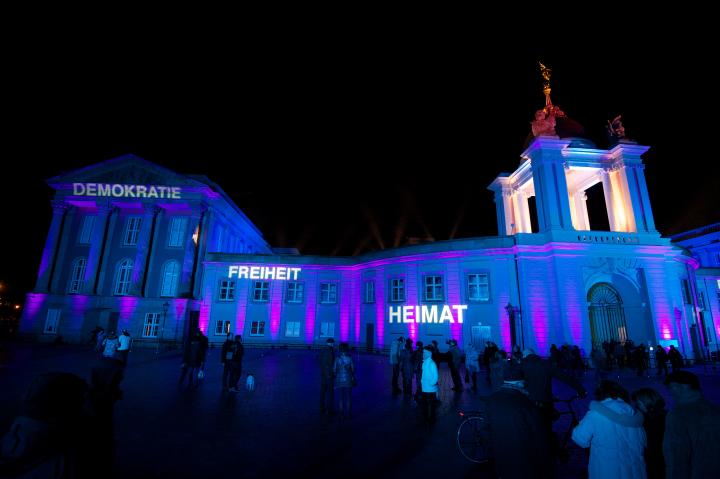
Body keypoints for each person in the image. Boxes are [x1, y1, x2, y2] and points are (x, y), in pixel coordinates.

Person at [486, 365, 552, 479]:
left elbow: (485, 430)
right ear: (520, 383)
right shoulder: (526, 403)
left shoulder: (492, 399)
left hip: (501, 459)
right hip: (524, 461)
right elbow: (539, 437)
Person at [520, 348, 587, 460]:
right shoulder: (545, 364)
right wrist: (580, 389)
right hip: (546, 402)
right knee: (547, 427)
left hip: (530, 403)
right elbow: (565, 377)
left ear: (525, 356)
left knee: (534, 428)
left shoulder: (523, 366)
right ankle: (549, 451)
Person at [571, 380, 646, 479]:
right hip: (634, 472)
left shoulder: (596, 413)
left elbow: (580, 439)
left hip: (607, 471)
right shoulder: (632, 413)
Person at [663, 370, 720, 478]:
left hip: (693, 472)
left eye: (671, 387)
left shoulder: (677, 415)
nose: (670, 391)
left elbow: (678, 454)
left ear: (682, 387)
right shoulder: (714, 409)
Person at [631, 387, 666, 479]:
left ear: (648, 401)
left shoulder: (660, 418)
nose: (638, 406)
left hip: (659, 461)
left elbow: (654, 443)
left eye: (639, 403)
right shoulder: (645, 417)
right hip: (652, 460)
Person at [333, 342, 354, 419]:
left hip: (339, 379)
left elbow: (334, 370)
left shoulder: (337, 359)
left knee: (341, 397)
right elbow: (353, 369)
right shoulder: (350, 358)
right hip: (348, 379)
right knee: (348, 397)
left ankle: (341, 414)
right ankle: (348, 414)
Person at [420, 346, 439, 424]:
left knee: (431, 405)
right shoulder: (424, 362)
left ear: (428, 353)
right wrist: (422, 381)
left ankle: (431, 418)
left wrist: (431, 384)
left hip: (430, 389)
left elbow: (436, 377)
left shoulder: (431, 363)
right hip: (425, 387)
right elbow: (423, 374)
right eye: (423, 352)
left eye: (424, 352)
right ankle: (426, 417)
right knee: (425, 404)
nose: (423, 354)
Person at [319, 338, 335, 415]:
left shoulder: (322, 350)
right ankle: (329, 410)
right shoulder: (330, 351)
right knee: (330, 393)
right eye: (333, 343)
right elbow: (329, 364)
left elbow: (319, 360)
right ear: (331, 343)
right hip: (329, 376)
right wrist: (330, 375)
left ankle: (321, 408)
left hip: (323, 375)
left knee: (323, 392)